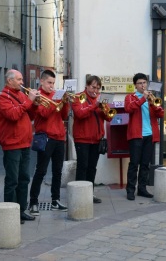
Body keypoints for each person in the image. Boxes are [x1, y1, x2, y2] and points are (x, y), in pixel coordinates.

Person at [0, 69, 38, 223]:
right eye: (19, 79)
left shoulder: (21, 95)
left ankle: (21, 209)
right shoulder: (3, 98)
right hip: (12, 144)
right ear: (9, 81)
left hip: (25, 142)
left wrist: (34, 104)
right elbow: (13, 115)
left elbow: (30, 115)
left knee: (24, 178)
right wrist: (29, 101)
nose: (22, 82)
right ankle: (10, 212)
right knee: (12, 180)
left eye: (21, 79)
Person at [29, 70, 69, 216]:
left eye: (53, 83)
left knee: (57, 171)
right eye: (49, 83)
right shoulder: (37, 96)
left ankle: (55, 200)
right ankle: (33, 202)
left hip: (59, 137)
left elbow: (63, 115)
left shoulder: (55, 96)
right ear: (42, 81)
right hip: (45, 137)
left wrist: (64, 102)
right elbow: (44, 114)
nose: (52, 86)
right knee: (41, 171)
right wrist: (57, 100)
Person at [71, 75, 112, 204]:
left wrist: (104, 108)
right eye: (93, 87)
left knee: (92, 167)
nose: (96, 90)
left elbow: (109, 118)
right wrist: (95, 105)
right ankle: (79, 194)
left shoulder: (99, 100)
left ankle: (90, 193)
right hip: (82, 138)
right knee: (83, 167)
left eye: (98, 88)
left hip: (96, 139)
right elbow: (79, 114)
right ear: (87, 86)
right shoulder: (78, 97)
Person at [124, 73, 164, 201]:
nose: (143, 85)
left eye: (144, 83)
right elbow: (128, 109)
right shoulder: (130, 97)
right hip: (136, 135)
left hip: (150, 135)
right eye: (140, 83)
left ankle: (142, 189)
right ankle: (130, 190)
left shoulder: (152, 98)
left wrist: (153, 103)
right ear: (135, 85)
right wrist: (142, 99)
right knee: (134, 164)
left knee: (145, 164)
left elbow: (161, 114)